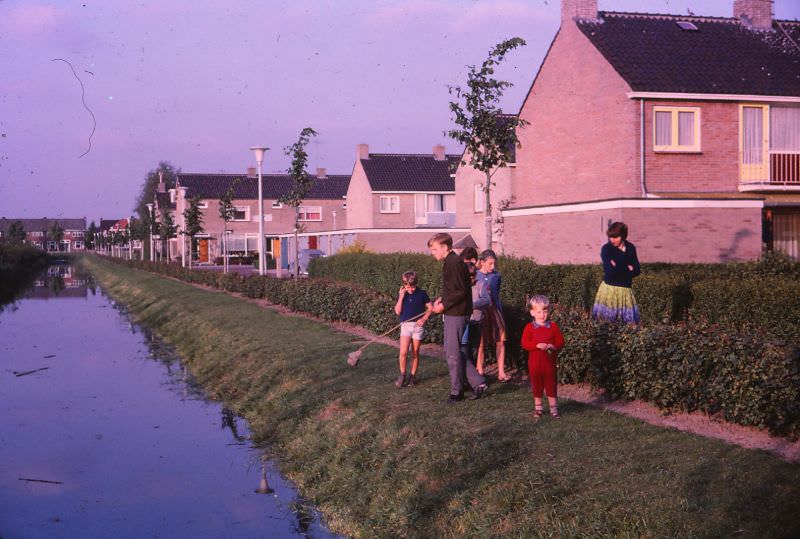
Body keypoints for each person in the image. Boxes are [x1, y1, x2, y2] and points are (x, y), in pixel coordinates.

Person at [428, 233, 487, 402]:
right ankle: (477, 382)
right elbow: (454, 288)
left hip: (457, 313)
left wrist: (443, 306)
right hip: (455, 311)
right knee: (453, 352)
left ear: (445, 247)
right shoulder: (451, 262)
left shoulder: (453, 263)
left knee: (453, 355)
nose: (433, 253)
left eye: (434, 249)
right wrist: (442, 299)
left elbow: (460, 292)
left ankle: (457, 392)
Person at [521, 295, 564, 419]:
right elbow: (525, 343)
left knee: (551, 385)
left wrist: (552, 346)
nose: (542, 315)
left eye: (545, 311)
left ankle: (554, 409)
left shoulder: (553, 327)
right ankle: (538, 408)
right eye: (538, 312)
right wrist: (536, 345)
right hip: (535, 365)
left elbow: (560, 342)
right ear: (532, 313)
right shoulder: (529, 328)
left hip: (549, 364)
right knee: (537, 386)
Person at [591, 222, 641, 324]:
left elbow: (637, 270)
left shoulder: (631, 248)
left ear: (623, 236)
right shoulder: (607, 249)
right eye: (610, 237)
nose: (612, 240)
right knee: (605, 323)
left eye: (615, 237)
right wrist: (628, 268)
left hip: (626, 291)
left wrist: (617, 265)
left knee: (628, 325)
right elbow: (610, 272)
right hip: (609, 290)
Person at [393, 271, 432, 388]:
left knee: (415, 352)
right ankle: (402, 374)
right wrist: (401, 297)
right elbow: (397, 311)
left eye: (413, 287)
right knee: (403, 352)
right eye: (408, 287)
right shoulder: (403, 294)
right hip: (405, 326)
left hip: (417, 327)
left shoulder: (422, 294)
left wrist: (424, 319)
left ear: (416, 284)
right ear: (404, 285)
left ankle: (412, 376)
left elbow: (430, 308)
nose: (411, 289)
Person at [475, 250, 509, 381]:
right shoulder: (475, 275)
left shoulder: (496, 276)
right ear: (482, 262)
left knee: (500, 341)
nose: (492, 267)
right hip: (481, 311)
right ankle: (480, 370)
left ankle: (501, 372)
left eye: (494, 264)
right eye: (490, 264)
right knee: (481, 342)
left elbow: (496, 293)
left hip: (495, 311)